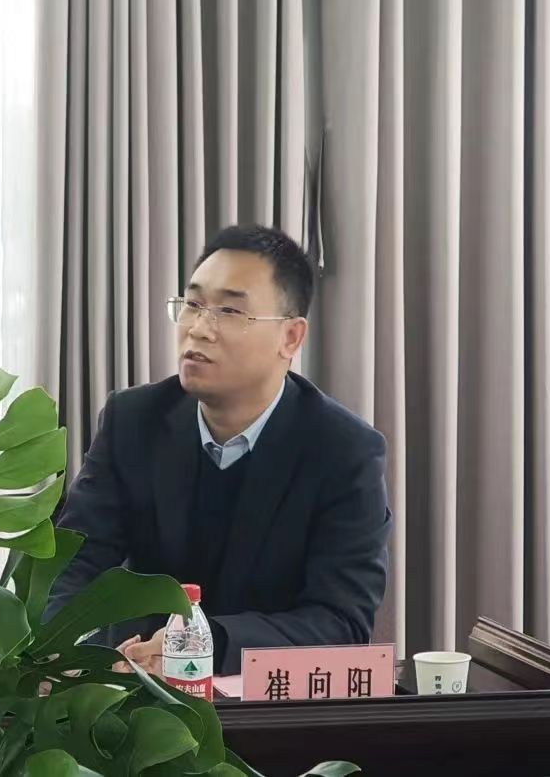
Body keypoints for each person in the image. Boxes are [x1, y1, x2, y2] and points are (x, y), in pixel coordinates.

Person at [48, 224, 392, 676]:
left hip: (264, 705)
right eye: (192, 305)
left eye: (230, 311)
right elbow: (75, 564)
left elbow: (341, 623)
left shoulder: (343, 452)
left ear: (291, 337)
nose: (199, 329)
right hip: (134, 688)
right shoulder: (134, 421)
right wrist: (56, 652)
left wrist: (198, 643)